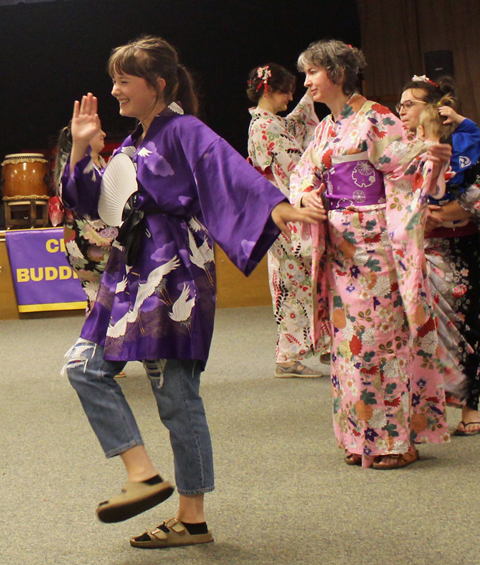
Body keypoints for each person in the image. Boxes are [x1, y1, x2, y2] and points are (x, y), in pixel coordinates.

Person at [61, 35, 325, 549]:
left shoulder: (184, 130)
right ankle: (141, 472)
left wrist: (278, 208)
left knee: (178, 397)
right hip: (129, 272)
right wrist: (79, 146)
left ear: (156, 84)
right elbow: (93, 204)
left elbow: (230, 172)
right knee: (83, 366)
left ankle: (192, 517)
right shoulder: (137, 141)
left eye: (124, 80)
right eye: (113, 80)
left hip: (173, 272)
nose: (114, 90)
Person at [290, 39, 452, 469]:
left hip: (375, 248)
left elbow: (408, 172)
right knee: (349, 347)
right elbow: (303, 171)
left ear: (338, 74)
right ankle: (360, 436)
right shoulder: (326, 127)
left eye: (313, 73)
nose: (307, 83)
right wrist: (308, 196)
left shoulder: (376, 119)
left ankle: (395, 440)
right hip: (339, 250)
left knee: (380, 343)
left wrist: (432, 161)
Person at [398, 75, 480, 436]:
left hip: (462, 248)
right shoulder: (398, 149)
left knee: (470, 327)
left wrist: (460, 208)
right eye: (401, 104)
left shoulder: (460, 145)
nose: (402, 109)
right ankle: (425, 409)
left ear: (434, 109)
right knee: (417, 332)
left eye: (411, 103)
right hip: (419, 250)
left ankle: (469, 406)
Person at [247, 63, 329, 378]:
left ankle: (312, 348)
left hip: (275, 211)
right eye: (285, 91)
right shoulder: (266, 127)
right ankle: (289, 354)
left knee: (294, 282)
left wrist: (309, 97)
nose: (290, 97)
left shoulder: (266, 123)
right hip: (282, 212)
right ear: (268, 89)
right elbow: (294, 170)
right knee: (295, 284)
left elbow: (294, 124)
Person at [54, 123, 119, 315]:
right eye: (99, 130)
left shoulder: (100, 161)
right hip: (88, 240)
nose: (104, 133)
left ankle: (104, 338)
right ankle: (99, 338)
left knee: (106, 294)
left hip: (107, 236)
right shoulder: (73, 168)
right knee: (99, 294)